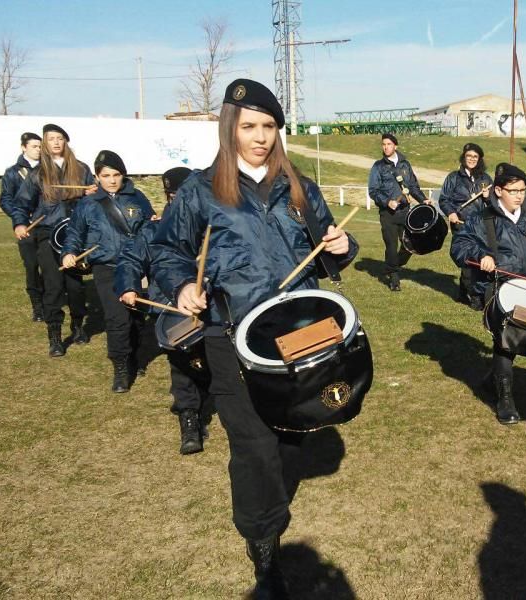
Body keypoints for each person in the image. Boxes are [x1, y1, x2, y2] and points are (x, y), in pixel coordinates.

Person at [150, 79, 358, 597]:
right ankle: (264, 546)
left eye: (268, 126)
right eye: (249, 126)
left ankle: (271, 496)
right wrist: (180, 285)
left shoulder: (299, 187)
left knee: (291, 433)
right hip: (231, 334)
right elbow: (167, 250)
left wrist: (341, 243)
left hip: (301, 330)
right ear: (230, 128)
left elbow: (329, 252)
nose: (260, 136)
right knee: (254, 445)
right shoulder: (201, 191)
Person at [450, 163, 526, 425]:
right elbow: (459, 246)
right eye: (514, 190)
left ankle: (491, 381)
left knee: (517, 342)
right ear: (498, 191)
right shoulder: (482, 219)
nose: (520, 195)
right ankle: (505, 399)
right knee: (505, 342)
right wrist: (481, 256)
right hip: (496, 287)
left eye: (523, 190)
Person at [116, 166, 212, 453]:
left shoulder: (216, 225)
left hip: (216, 310)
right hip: (172, 311)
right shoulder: (154, 229)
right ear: (170, 196)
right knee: (183, 368)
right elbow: (130, 259)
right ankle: (189, 420)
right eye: (178, 195)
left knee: (212, 367)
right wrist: (128, 286)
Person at [61, 150, 156, 392]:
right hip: (107, 267)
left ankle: (136, 358)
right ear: (97, 177)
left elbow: (149, 227)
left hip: (136, 267)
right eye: (106, 175)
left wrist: (153, 226)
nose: (112, 180)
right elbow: (74, 232)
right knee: (117, 318)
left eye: (116, 174)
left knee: (135, 316)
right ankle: (120, 368)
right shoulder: (87, 204)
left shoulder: (138, 197)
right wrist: (69, 252)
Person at [7, 123, 95, 357]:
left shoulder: (82, 169)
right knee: (54, 286)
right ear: (45, 144)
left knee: (75, 287)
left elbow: (95, 198)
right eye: (50, 139)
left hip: (75, 234)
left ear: (66, 141)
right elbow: (21, 204)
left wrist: (91, 193)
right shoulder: (38, 174)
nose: (55, 142)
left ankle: (78, 327)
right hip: (47, 233)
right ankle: (54, 336)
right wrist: (20, 223)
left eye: (60, 138)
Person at [367, 133, 429, 291]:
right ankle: (394, 278)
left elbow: (413, 186)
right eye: (383, 144)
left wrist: (423, 199)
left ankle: (392, 265)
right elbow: (373, 191)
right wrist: (387, 202)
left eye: (388, 144)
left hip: (405, 212)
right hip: (388, 214)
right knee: (391, 245)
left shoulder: (405, 165)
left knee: (411, 244)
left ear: (395, 146)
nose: (385, 147)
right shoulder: (378, 166)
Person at [439, 142, 493, 309]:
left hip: (481, 226)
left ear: (480, 159)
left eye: (475, 157)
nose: (472, 159)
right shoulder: (453, 177)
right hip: (461, 224)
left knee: (479, 260)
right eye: (469, 156)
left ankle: (466, 291)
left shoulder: (486, 179)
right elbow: (444, 200)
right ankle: (475, 296)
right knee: (468, 260)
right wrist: (451, 212)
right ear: (464, 157)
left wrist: (487, 198)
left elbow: (495, 203)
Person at [0, 132, 45, 322]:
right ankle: (37, 305)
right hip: (25, 226)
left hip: (46, 223)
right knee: (31, 265)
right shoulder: (12, 172)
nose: (38, 150)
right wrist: (20, 217)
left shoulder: (47, 169)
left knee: (50, 265)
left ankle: (51, 299)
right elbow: (5, 199)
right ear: (24, 147)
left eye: (40, 146)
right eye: (34, 146)